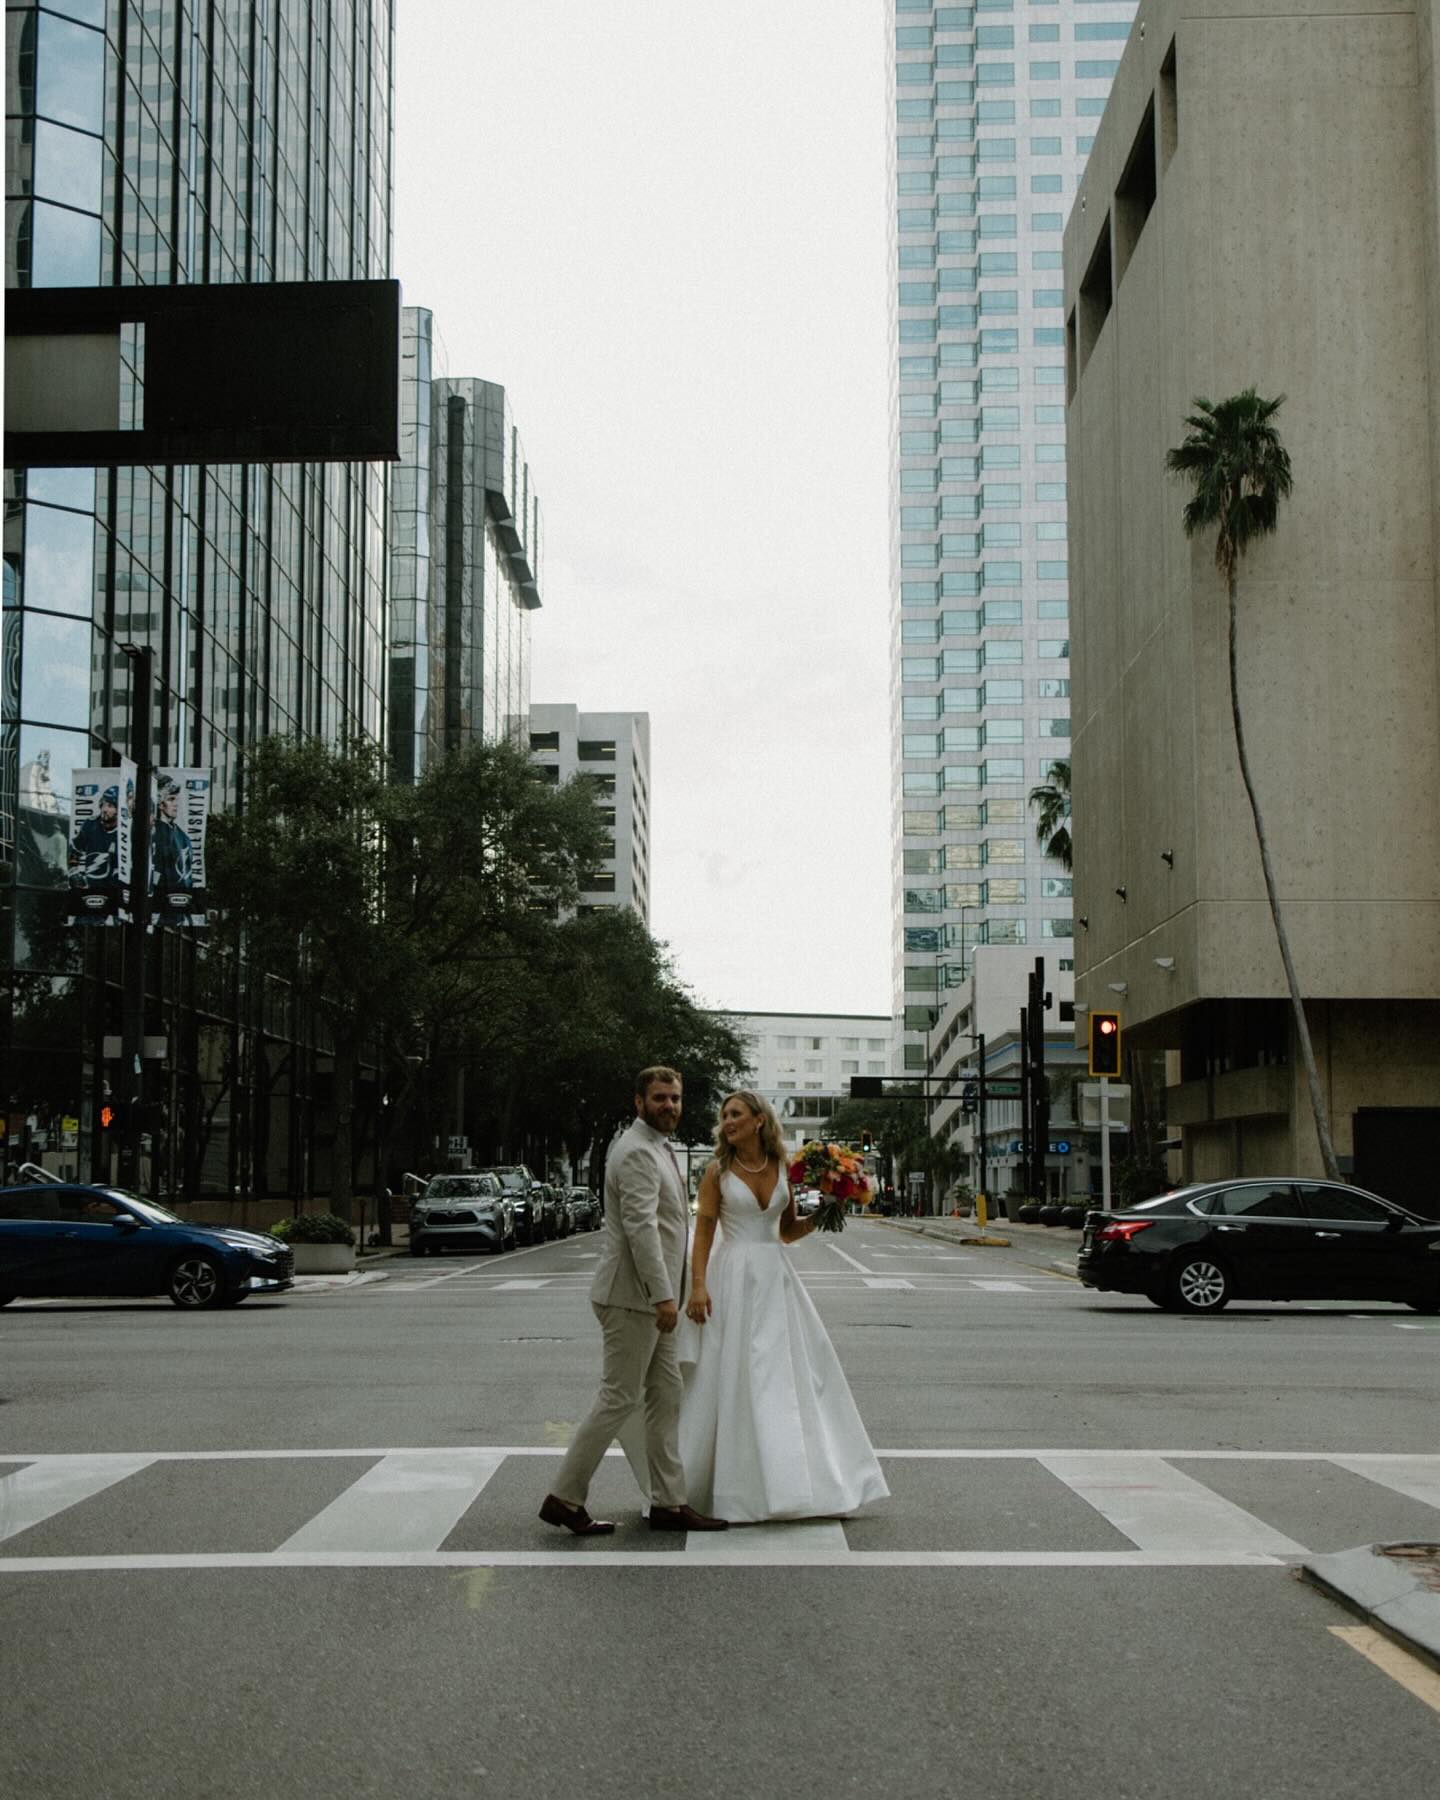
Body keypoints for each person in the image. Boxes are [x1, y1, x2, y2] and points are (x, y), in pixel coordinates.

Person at [677, 1090, 890, 1523]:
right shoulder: (716, 1172)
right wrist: (697, 1287)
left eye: (735, 1114)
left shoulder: (780, 1169)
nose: (726, 1121)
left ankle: (794, 1481)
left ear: (759, 1120)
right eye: (723, 1115)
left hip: (776, 1279)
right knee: (733, 1376)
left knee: (786, 1378)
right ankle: (720, 1489)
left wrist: (831, 1208)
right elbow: (702, 1235)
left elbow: (787, 1232)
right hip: (732, 1276)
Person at [539, 1066, 728, 1536]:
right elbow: (642, 1230)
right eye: (660, 1098)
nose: (670, 1106)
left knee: (666, 1396)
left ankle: (669, 1502)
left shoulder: (656, 1147)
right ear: (639, 1102)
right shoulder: (636, 1152)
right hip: (633, 1298)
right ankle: (564, 1496)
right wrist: (664, 1296)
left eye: (676, 1098)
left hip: (650, 1300)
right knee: (618, 1397)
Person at [151, 777, 194, 893]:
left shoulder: (183, 837)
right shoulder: (151, 831)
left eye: (176, 799)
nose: (175, 804)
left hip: (179, 897)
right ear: (160, 804)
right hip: (156, 898)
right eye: (171, 799)